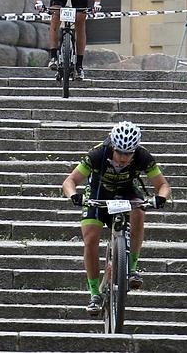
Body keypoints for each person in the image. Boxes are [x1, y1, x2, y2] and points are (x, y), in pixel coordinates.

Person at [62, 121, 171, 315]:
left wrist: (161, 198)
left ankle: (132, 268)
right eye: (119, 152)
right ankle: (95, 293)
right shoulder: (97, 154)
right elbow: (70, 181)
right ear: (112, 146)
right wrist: (73, 195)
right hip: (97, 194)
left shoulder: (143, 156)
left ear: (134, 150)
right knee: (91, 239)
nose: (122, 158)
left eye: (128, 154)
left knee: (139, 210)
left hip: (127, 193)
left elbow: (163, 185)